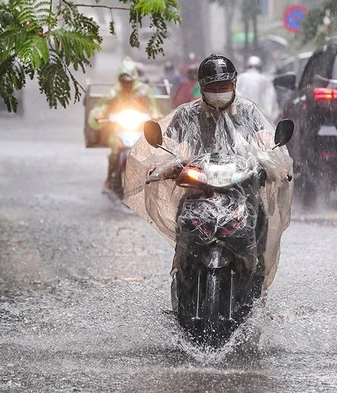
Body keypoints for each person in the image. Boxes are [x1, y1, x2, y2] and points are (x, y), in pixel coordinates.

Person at [123, 54, 293, 294]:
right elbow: (170, 146)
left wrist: (274, 165)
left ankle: (256, 278)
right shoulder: (187, 115)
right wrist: (162, 166)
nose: (218, 91)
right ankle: (183, 275)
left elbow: (265, 140)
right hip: (198, 185)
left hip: (241, 186)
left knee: (261, 216)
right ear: (202, 87)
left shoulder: (248, 111)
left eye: (223, 86)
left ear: (234, 84)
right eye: (212, 87)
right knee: (185, 218)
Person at [88, 57, 162, 193]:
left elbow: (153, 109)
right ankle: (110, 177)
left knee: (151, 152)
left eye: (129, 81)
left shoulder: (144, 92)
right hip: (119, 131)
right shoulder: (113, 94)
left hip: (140, 130)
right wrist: (99, 115)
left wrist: (157, 116)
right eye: (123, 82)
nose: (126, 85)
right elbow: (101, 108)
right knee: (115, 150)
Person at [236, 55, 280, 121]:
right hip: (260, 117)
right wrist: (269, 117)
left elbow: (235, 94)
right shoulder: (265, 80)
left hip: (242, 116)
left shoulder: (240, 78)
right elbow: (270, 100)